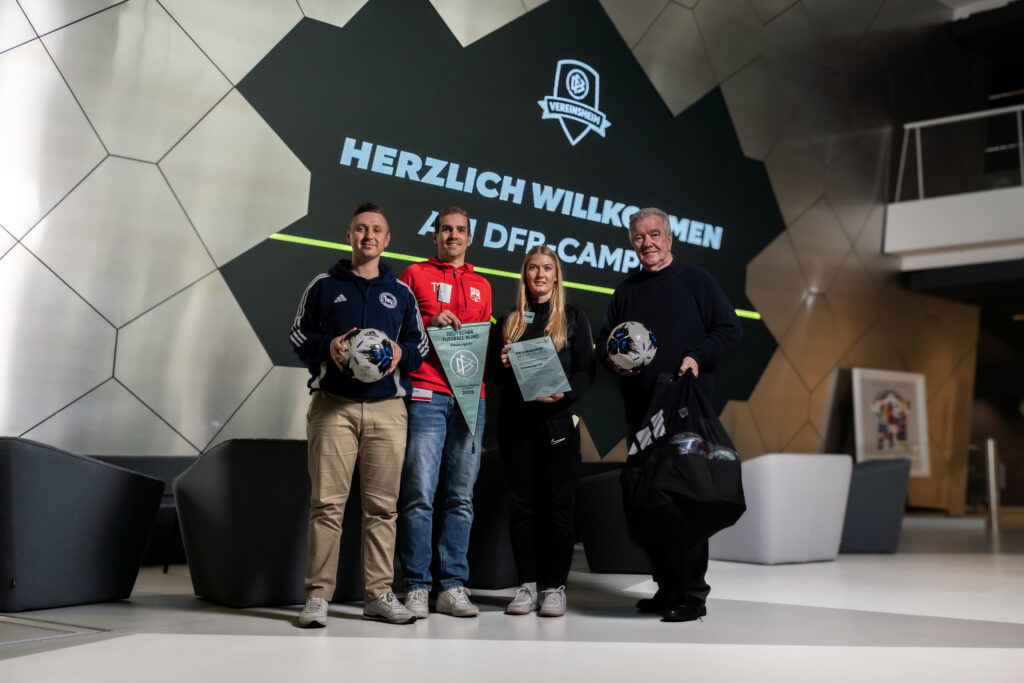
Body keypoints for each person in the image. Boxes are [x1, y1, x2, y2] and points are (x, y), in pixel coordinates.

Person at [596, 207, 741, 623]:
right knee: (651, 503)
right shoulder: (626, 291)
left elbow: (729, 329)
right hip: (642, 416)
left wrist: (696, 356)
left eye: (655, 234)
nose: (648, 243)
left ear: (670, 238)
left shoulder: (697, 281)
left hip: (683, 414)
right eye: (639, 237)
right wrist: (615, 362)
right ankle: (666, 587)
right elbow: (606, 342)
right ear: (632, 243)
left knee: (686, 499)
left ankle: (692, 594)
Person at [289, 201, 429, 627]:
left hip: (388, 411)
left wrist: (400, 352)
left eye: (376, 230)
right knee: (326, 506)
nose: (369, 236)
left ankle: (379, 594)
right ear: (349, 235)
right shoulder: (324, 285)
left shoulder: (401, 293)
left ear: (387, 240)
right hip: (334, 407)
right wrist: (328, 345)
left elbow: (420, 347)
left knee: (383, 508)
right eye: (361, 229)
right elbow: (298, 336)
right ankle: (317, 597)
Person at [488, 245, 595, 617]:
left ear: (556, 275)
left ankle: (554, 586)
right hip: (517, 424)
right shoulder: (509, 319)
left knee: (558, 507)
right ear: (525, 274)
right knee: (523, 508)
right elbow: (494, 375)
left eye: (547, 268)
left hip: (558, 422)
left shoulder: (573, 318)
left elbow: (586, 371)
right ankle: (527, 585)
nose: (540, 274)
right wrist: (503, 362)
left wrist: (564, 393)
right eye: (533, 268)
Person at [397, 207, 492, 618]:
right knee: (419, 494)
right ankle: (416, 585)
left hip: (472, 397)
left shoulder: (482, 285)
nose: (453, 235)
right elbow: (398, 327)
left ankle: (452, 586)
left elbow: (480, 340)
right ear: (434, 235)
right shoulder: (414, 274)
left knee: (461, 497)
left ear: (469, 238)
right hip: (426, 392)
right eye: (446, 229)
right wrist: (430, 321)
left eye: (460, 230)